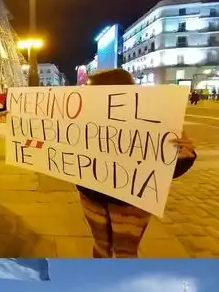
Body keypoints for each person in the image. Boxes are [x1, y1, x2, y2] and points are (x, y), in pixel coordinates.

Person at [77, 68, 197, 258]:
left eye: (91, 88)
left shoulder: (155, 120)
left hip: (131, 201)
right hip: (91, 195)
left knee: (125, 252)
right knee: (100, 246)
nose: (85, 92)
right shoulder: (83, 118)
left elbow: (166, 166)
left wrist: (183, 156)